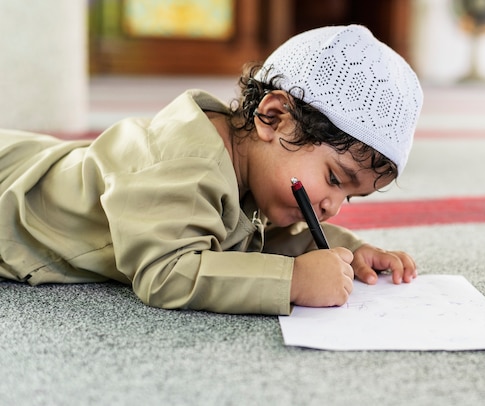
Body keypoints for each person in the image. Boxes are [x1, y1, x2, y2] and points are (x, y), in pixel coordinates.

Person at [0, 25, 423, 315]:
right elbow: (167, 272)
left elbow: (248, 237)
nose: (332, 207)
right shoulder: (185, 166)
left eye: (350, 197)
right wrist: (291, 280)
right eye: (334, 179)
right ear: (273, 117)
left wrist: (344, 247)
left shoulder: (247, 162)